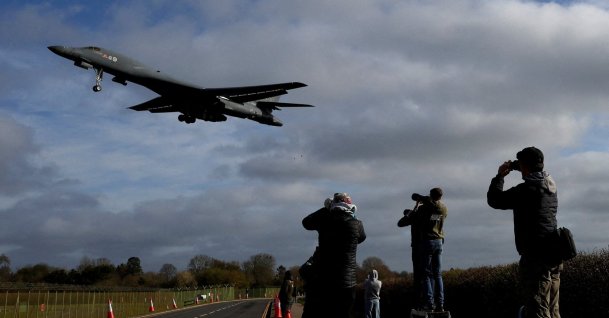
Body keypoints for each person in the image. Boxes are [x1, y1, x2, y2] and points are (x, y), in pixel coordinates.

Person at [487, 146, 561, 318]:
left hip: (535, 256)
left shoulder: (526, 190)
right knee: (553, 308)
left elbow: (495, 200)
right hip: (554, 253)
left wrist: (500, 176)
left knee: (538, 310)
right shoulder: (550, 185)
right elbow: (532, 169)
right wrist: (516, 166)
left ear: (525, 166)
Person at [302, 192, 366, 318]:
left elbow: (306, 222)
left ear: (333, 204)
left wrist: (325, 208)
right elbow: (362, 238)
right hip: (348, 282)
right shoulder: (356, 223)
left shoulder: (325, 219)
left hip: (326, 280)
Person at [413, 188, 447, 312]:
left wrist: (420, 203)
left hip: (427, 240)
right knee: (438, 274)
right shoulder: (444, 208)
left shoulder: (426, 208)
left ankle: (430, 303)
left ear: (431, 196)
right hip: (439, 240)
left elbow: (417, 217)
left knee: (426, 274)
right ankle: (440, 304)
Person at [397, 199, 424, 308]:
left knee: (418, 275)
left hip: (417, 247)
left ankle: (419, 302)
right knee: (430, 274)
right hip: (429, 245)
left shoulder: (414, 217)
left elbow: (400, 223)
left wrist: (411, 212)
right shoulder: (428, 215)